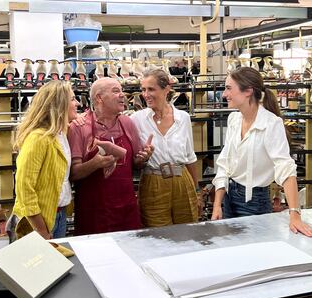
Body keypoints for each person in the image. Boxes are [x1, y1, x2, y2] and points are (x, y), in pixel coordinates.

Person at [211, 67, 312, 238]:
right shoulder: (234, 120)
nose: (224, 94)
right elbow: (224, 164)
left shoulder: (271, 124)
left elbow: (285, 168)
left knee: (255, 256)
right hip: (229, 198)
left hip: (254, 202)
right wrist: (217, 205)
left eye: (229, 88)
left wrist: (295, 214)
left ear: (248, 91)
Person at [67, 78, 152, 235]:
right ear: (99, 98)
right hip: (94, 210)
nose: (122, 95)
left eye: (121, 90)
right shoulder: (79, 127)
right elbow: (73, 173)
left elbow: (136, 165)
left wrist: (142, 158)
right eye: (115, 91)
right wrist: (95, 163)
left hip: (126, 207)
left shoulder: (127, 123)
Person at [131, 68, 200, 227]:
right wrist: (142, 159)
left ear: (166, 89)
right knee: (157, 236)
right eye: (143, 89)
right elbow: (135, 162)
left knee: (187, 232)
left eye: (151, 89)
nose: (145, 94)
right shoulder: (136, 120)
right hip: (153, 181)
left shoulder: (183, 118)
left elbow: (190, 157)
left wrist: (197, 192)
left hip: (182, 180)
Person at [11, 80, 78, 240]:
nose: (77, 103)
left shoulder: (60, 134)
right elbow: (24, 188)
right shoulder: (39, 138)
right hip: (38, 221)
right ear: (59, 104)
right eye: (73, 99)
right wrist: (41, 230)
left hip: (58, 214)